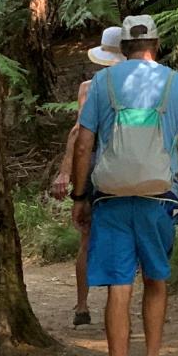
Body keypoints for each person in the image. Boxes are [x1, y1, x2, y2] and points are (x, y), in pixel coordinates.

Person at [69, 14, 178, 356]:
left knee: (118, 288)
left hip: (110, 200)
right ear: (156, 45)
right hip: (158, 199)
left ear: (123, 48)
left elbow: (82, 145)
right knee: (156, 279)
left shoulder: (101, 84)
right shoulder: (175, 83)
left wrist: (80, 197)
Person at [51, 26, 124, 327]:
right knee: (120, 239)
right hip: (126, 168)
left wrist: (67, 171)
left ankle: (82, 306)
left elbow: (79, 132)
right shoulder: (136, 87)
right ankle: (114, 305)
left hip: (94, 167)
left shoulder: (88, 87)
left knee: (86, 237)